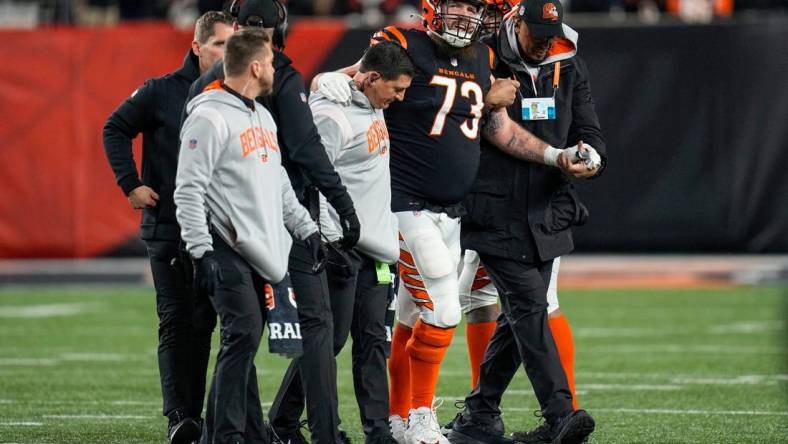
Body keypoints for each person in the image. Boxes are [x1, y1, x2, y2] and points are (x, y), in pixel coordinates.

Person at [314, 0, 591, 442]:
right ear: (433, 6)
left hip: (451, 211)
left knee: (409, 315)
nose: (465, 15)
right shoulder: (404, 43)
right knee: (443, 309)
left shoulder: (482, 56)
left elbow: (498, 129)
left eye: (473, 6)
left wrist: (553, 155)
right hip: (407, 205)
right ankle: (421, 416)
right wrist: (328, 78)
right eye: (456, 4)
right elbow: (359, 74)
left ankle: (401, 418)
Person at [184, 3, 361, 443]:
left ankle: (238, 433)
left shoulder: (257, 112)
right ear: (259, 60)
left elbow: (278, 178)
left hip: (268, 233)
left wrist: (308, 230)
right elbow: (189, 187)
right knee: (264, 331)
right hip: (228, 238)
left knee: (242, 335)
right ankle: (242, 434)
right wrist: (200, 248)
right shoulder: (211, 110)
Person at [448, 1, 604, 443]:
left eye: (550, 35)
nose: (543, 45)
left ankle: (480, 414)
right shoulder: (481, 58)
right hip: (495, 207)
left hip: (549, 209)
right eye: (536, 34)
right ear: (516, 23)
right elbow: (493, 129)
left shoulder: (568, 61)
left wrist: (591, 158)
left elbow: (590, 130)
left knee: (517, 317)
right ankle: (560, 412)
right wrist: (556, 155)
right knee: (530, 307)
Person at [102, 11, 234, 444]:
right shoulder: (161, 91)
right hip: (169, 227)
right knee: (178, 322)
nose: (226, 53)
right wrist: (131, 185)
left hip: (223, 232)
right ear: (197, 47)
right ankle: (181, 418)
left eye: (233, 44)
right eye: (218, 44)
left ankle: (209, 418)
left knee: (215, 326)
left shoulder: (241, 94)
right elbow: (115, 127)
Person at [310, 41, 415, 444]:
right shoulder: (331, 115)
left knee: (373, 343)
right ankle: (284, 422)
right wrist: (326, 238)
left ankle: (378, 432)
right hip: (340, 245)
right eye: (396, 89)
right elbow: (313, 178)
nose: (400, 98)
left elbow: (361, 66)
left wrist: (326, 76)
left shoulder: (369, 101)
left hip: (375, 247)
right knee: (330, 341)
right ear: (374, 80)